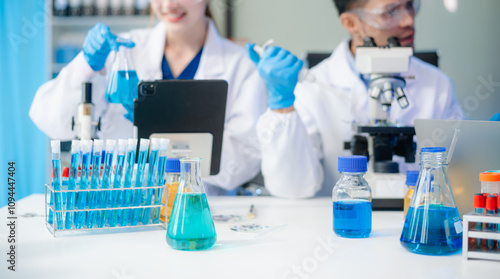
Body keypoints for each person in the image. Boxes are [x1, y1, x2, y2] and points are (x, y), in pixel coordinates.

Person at [30, 0, 267, 194]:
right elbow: (50, 118)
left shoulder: (241, 64)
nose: (169, 4)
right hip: (124, 205)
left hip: (204, 208)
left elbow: (244, 160)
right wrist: (86, 66)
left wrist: (167, 127)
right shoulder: (124, 49)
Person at [247, 0, 464, 198]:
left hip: (417, 218)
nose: (408, 20)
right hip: (340, 223)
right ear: (351, 23)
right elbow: (292, 188)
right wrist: (282, 107)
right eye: (390, 12)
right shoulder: (314, 88)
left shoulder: (437, 84)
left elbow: (460, 173)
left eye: (409, 5)